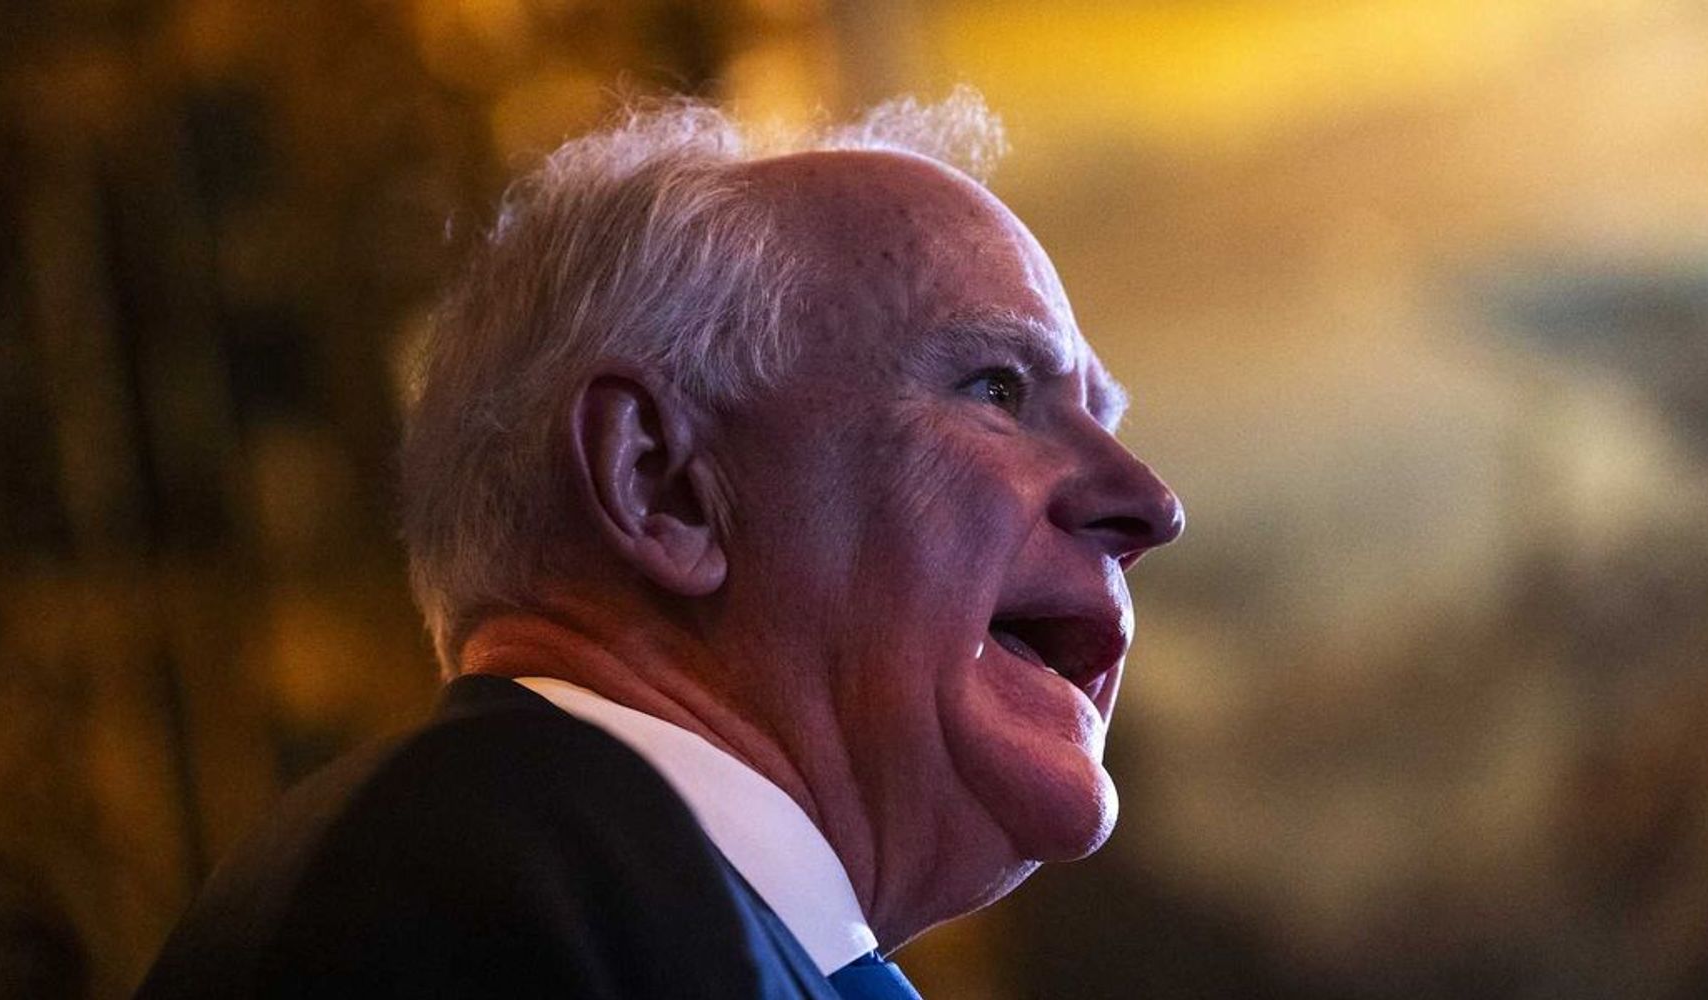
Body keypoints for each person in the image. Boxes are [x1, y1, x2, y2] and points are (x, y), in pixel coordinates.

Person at [135, 89, 1181, 999]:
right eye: (997, 388)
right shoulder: (458, 901)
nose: (1147, 505)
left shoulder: (599, 896)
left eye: (1101, 418)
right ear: (662, 484)